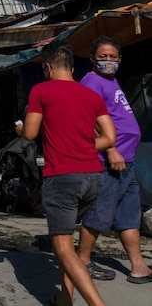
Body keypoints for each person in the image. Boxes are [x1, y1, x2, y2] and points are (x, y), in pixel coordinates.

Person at [20, 43, 116, 306]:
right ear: (72, 68)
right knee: (64, 243)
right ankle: (65, 298)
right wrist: (83, 145)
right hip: (93, 178)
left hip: (62, 176)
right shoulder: (92, 96)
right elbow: (109, 138)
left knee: (62, 246)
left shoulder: (40, 90)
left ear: (47, 67)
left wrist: (20, 130)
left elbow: (30, 133)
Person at [77, 37, 152, 284]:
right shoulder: (91, 82)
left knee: (129, 217)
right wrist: (110, 149)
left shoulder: (111, 81)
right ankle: (83, 262)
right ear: (92, 59)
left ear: (119, 59)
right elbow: (85, 121)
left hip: (127, 162)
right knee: (99, 214)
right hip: (109, 161)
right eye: (102, 56)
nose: (107, 61)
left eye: (112, 57)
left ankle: (139, 267)